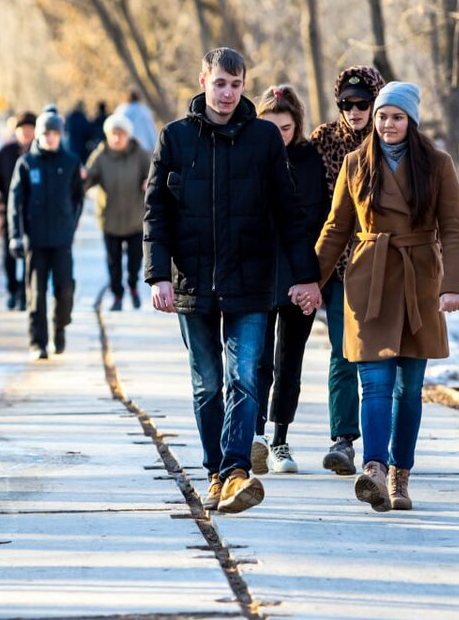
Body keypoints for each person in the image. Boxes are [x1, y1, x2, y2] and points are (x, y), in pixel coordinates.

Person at [145, 47, 321, 515]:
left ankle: (236, 471)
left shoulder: (264, 138)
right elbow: (156, 213)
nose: (227, 93)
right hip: (192, 284)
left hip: (251, 281)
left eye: (236, 84)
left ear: (244, 86)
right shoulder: (176, 138)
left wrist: (308, 277)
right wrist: (158, 275)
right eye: (220, 83)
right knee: (208, 384)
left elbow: (290, 213)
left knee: (244, 379)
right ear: (203, 80)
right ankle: (214, 472)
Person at [314, 81, 459, 512]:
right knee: (375, 384)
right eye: (382, 116)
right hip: (370, 279)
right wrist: (310, 280)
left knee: (409, 389)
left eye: (396, 116)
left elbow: (454, 228)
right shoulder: (355, 163)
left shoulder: (437, 164)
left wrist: (453, 285)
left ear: (411, 120)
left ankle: (401, 473)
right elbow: (335, 228)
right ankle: (374, 469)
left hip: (419, 281)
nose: (386, 124)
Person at [307, 65, 385, 474]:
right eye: (346, 104)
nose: (354, 111)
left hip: (385, 266)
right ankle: (343, 439)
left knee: (384, 357)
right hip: (338, 267)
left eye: (362, 103)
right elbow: (314, 207)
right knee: (342, 351)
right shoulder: (323, 141)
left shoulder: (391, 139)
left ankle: (385, 445)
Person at [250, 85, 330, 476]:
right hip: (258, 274)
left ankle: (281, 438)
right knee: (257, 359)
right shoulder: (250, 155)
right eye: (270, 126)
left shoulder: (310, 161)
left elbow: (319, 220)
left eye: (285, 127)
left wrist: (312, 278)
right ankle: (256, 436)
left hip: (301, 273)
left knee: (289, 361)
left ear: (296, 126)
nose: (278, 134)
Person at [9, 110, 86, 360]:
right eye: (46, 134)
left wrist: (71, 223)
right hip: (36, 239)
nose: (50, 138)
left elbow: (78, 197)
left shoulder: (71, 161)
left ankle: (60, 328)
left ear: (60, 135)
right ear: (39, 136)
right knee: (36, 294)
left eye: (54, 133)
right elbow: (15, 201)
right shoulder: (27, 163)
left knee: (64, 289)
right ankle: (37, 343)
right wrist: (16, 235)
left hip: (62, 239)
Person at [85, 113, 150, 311]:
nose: (116, 138)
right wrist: (80, 179)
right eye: (113, 134)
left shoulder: (140, 154)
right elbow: (87, 179)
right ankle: (117, 295)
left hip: (135, 218)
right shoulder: (100, 155)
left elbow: (153, 176)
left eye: (120, 134)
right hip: (109, 218)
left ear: (128, 135)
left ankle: (132, 286)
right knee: (113, 263)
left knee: (134, 261)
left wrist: (148, 183)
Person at [0, 111, 36, 310]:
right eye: (22, 130)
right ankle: (12, 290)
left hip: (33, 212)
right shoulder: (5, 152)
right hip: (7, 212)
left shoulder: (39, 153)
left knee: (29, 255)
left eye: (30, 130)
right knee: (8, 255)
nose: (26, 133)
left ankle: (25, 293)